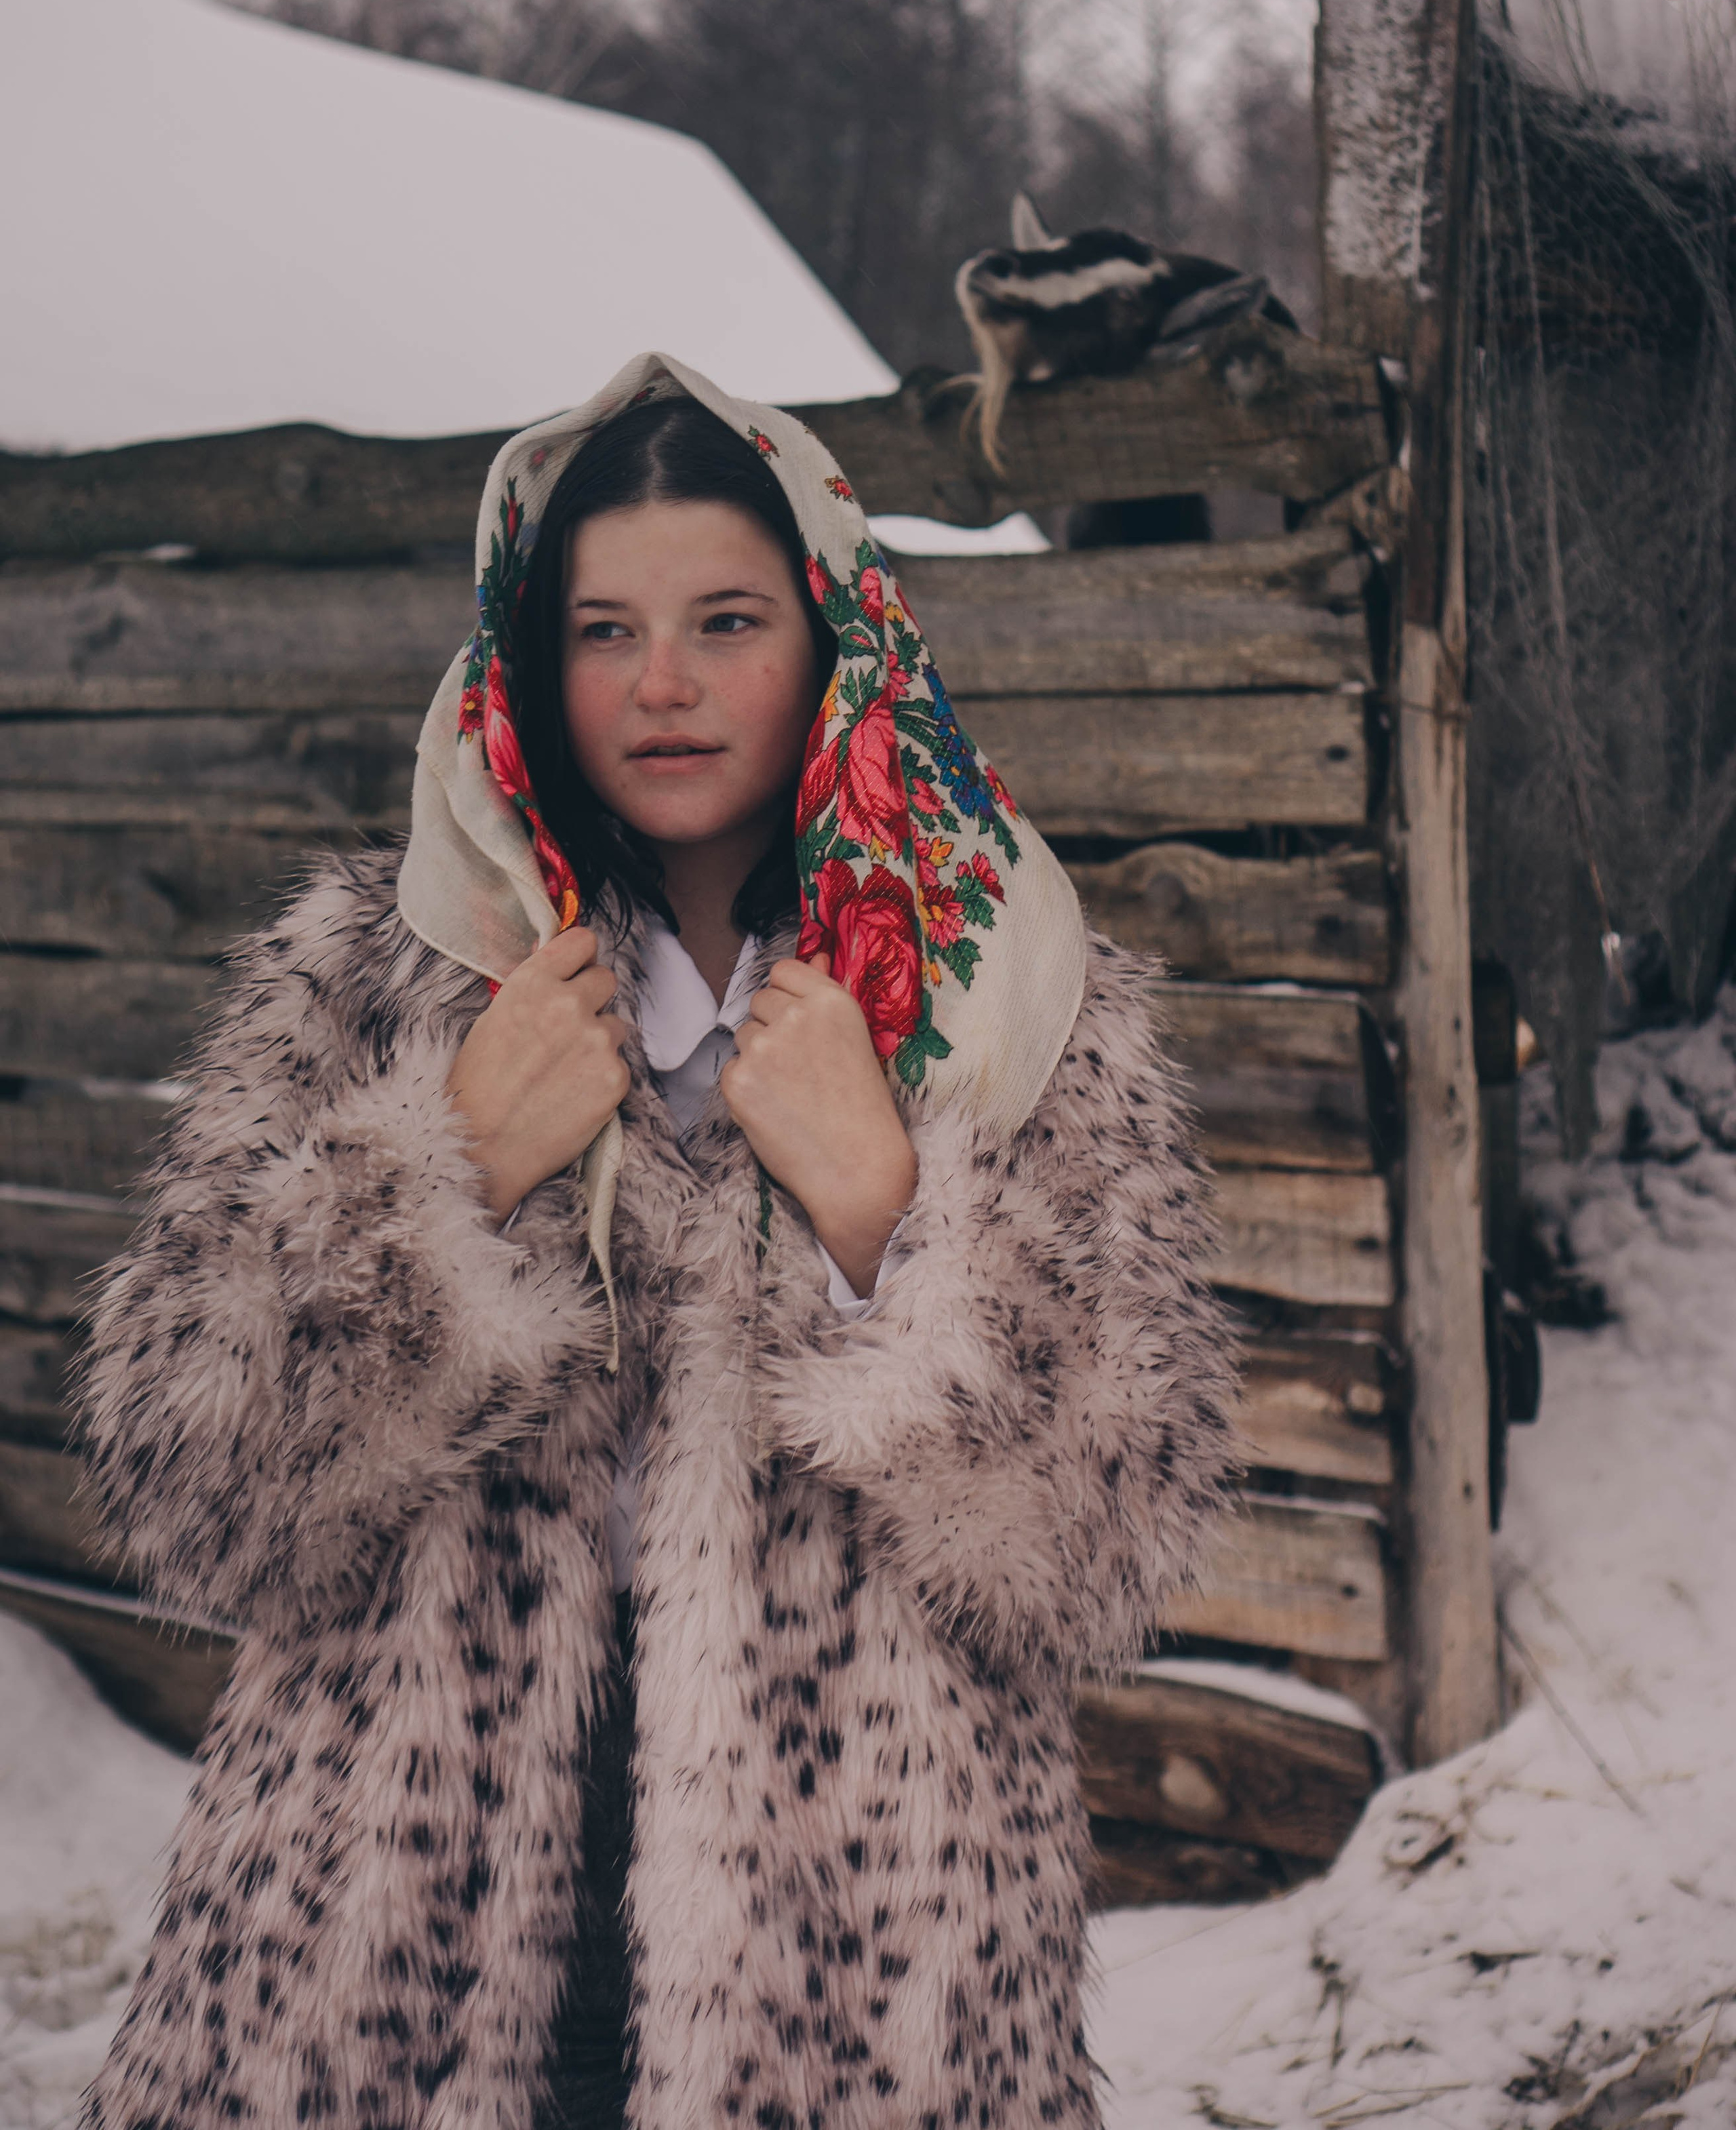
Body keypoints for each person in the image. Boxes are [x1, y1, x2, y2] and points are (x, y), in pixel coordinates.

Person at [78, 354, 1238, 2130]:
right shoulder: (382, 976)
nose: (664, 684)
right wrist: (447, 1176)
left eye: (726, 622)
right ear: (527, 660)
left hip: (861, 1974)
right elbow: (196, 1499)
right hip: (376, 1955)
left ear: (836, 641)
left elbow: (1104, 1554)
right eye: (603, 631)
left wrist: (881, 1221)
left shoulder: (1012, 1005)